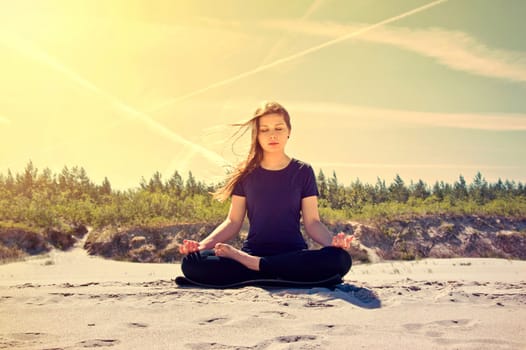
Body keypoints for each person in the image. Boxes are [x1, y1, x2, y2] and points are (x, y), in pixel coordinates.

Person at [178, 101, 353, 286]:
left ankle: (255, 267)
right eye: (264, 130)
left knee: (340, 259)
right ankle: (269, 268)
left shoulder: (303, 171)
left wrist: (333, 243)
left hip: (293, 255)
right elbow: (233, 221)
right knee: (192, 263)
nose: (272, 135)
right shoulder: (246, 173)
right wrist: (201, 246)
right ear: (257, 134)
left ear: (289, 131)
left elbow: (312, 222)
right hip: (255, 252)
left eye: (278, 128)